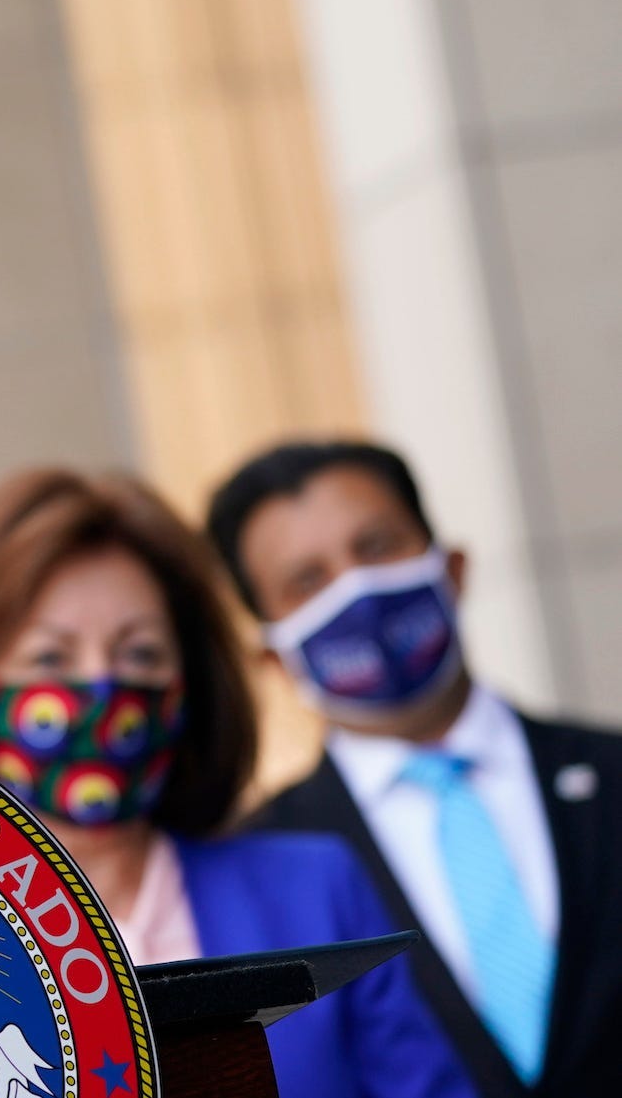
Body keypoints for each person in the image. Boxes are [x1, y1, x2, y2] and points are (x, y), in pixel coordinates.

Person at [0, 468, 475, 1098]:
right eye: (51, 658)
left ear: (187, 685)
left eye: (139, 653)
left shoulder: (313, 889)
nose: (102, 686)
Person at [207, 440, 622, 1098]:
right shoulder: (259, 867)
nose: (355, 589)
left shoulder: (612, 772)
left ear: (451, 568)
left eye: (376, 546)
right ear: (273, 658)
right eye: (307, 580)